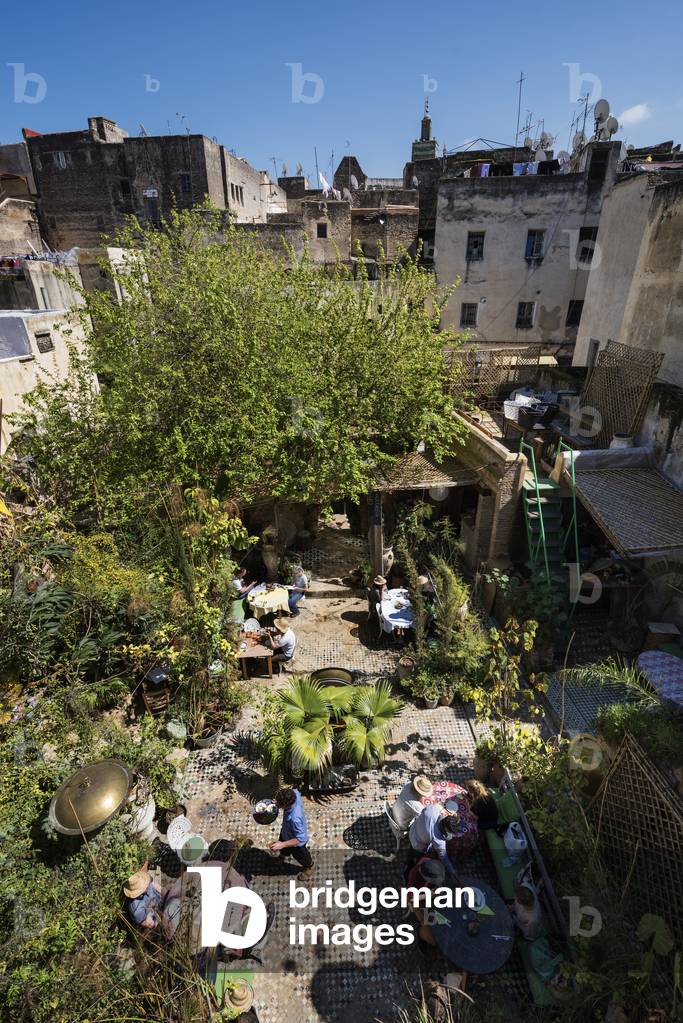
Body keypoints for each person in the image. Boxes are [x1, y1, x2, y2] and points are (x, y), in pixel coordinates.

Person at [268, 787, 313, 877]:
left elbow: (301, 838)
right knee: (284, 848)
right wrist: (277, 801)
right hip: (286, 832)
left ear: (285, 806)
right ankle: (282, 857)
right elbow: (297, 790)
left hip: (296, 844)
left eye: (280, 805)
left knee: (302, 857)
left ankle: (309, 867)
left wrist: (282, 844)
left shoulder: (295, 819)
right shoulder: (294, 793)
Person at [408, 803, 460, 877]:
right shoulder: (439, 840)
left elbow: (423, 812)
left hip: (412, 830)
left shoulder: (433, 808)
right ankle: (410, 868)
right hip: (417, 845)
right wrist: (453, 872)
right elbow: (443, 857)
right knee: (414, 859)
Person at [405, 856, 446, 948]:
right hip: (419, 901)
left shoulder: (429, 864)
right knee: (427, 925)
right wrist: (430, 895)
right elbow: (410, 899)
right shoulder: (414, 875)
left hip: (431, 896)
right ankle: (421, 933)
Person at [124, 861, 165, 929]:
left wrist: (168, 895)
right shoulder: (137, 911)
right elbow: (151, 924)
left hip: (161, 902)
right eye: (144, 886)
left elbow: (157, 887)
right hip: (159, 915)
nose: (146, 885)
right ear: (139, 891)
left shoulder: (146, 883)